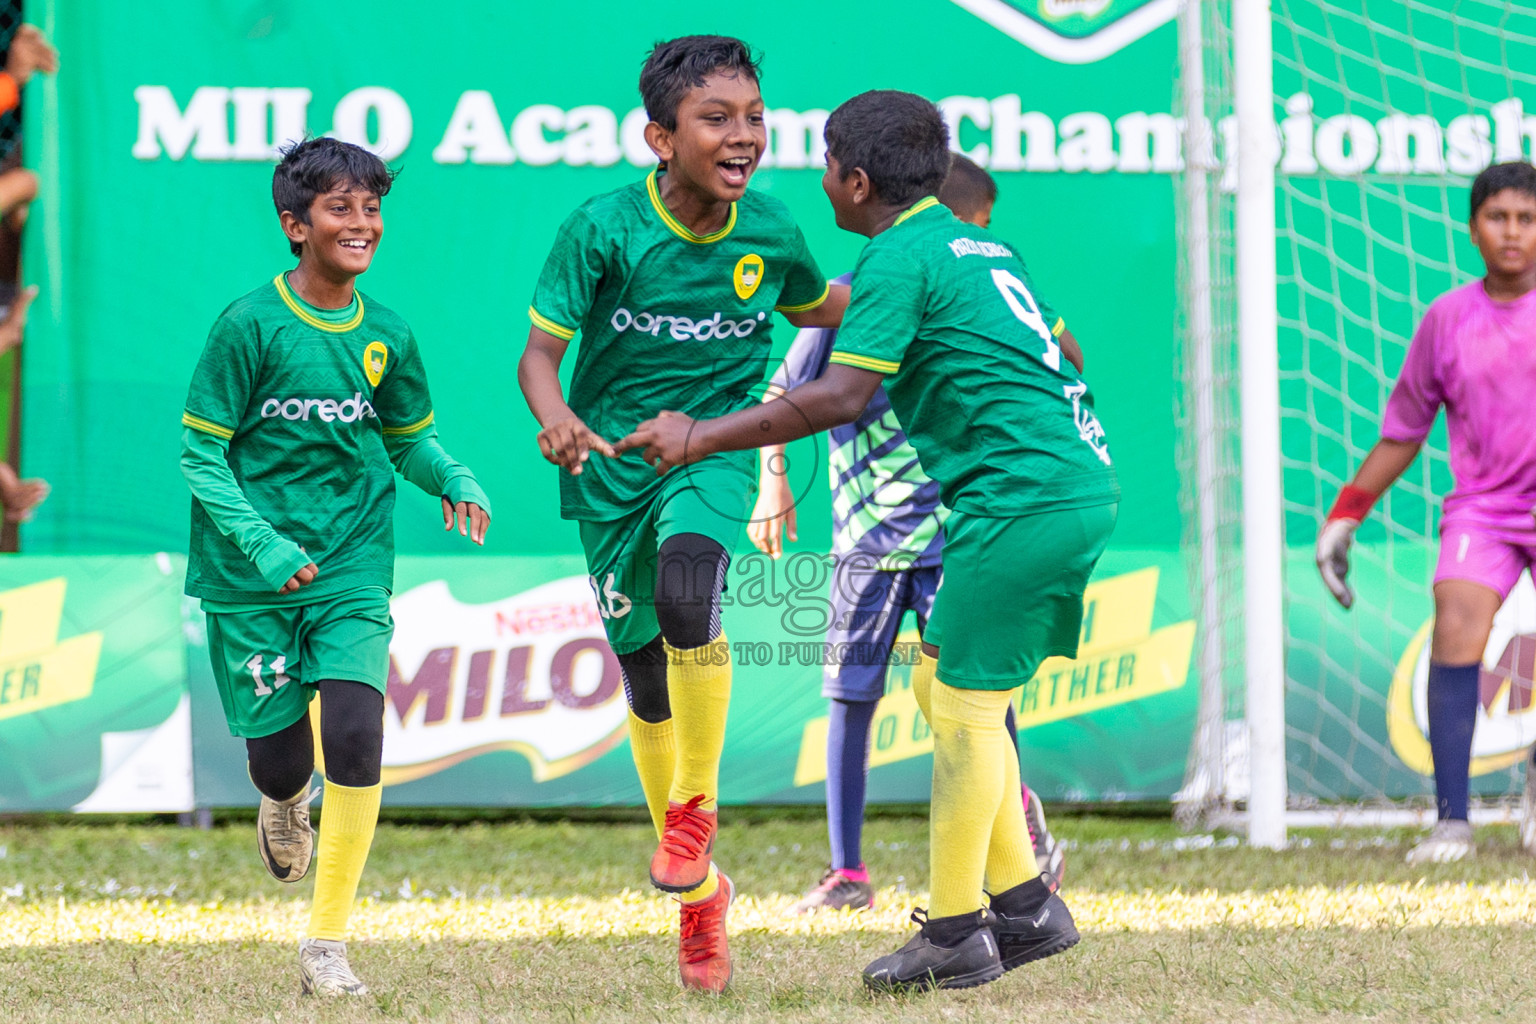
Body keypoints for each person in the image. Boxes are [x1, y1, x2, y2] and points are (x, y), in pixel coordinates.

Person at [618, 90, 1117, 993]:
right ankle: (1028, 906)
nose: (814, 178)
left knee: (963, 711)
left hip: (1019, 502)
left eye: (821, 163)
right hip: (1066, 488)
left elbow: (841, 397)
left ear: (852, 181)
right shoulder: (979, 243)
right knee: (942, 683)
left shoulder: (896, 256)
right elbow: (1045, 346)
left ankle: (959, 930)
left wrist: (700, 434)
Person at [517, 35, 844, 993]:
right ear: (660, 135)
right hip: (611, 474)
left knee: (691, 586)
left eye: (753, 117)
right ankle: (702, 895)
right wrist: (559, 418)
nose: (743, 136)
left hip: (706, 455)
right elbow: (538, 357)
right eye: (716, 119)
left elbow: (823, 305)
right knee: (646, 679)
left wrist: (925, 285)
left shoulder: (772, 230)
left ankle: (694, 810)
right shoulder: (603, 229)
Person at [180, 137, 490, 996]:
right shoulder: (249, 325)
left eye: (372, 208)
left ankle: (327, 944)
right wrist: (264, 544)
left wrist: (449, 474)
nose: (362, 224)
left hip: (352, 564)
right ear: (294, 224)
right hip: (252, 579)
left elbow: (407, 439)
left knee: (356, 732)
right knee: (282, 762)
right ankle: (283, 800)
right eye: (341, 209)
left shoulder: (388, 331)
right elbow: (201, 457)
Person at [749, 155, 1068, 915]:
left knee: (980, 696)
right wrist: (772, 478)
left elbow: (1059, 358)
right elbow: (785, 390)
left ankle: (1016, 845)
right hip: (866, 542)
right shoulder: (864, 297)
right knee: (850, 697)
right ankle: (847, 871)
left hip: (955, 535)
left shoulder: (970, 298)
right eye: (974, 225)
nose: (975, 241)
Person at [1317, 160, 1536, 866]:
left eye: (1527, 220)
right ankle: (1452, 825)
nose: (1513, 232)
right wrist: (1345, 515)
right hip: (1484, 510)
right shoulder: (1447, 319)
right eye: (1499, 217)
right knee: (1455, 622)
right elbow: (1403, 431)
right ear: (1473, 228)